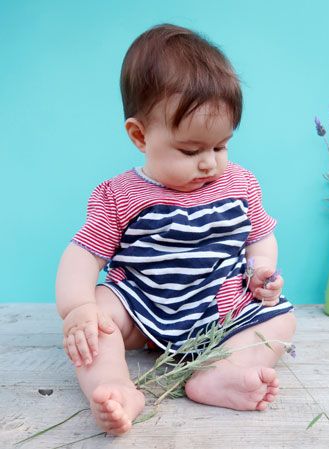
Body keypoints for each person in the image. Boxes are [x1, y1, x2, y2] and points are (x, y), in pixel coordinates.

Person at [56, 23, 296, 436]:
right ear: (140, 135)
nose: (209, 163)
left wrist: (262, 272)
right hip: (143, 307)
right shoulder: (120, 195)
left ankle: (219, 372)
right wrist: (78, 308)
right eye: (191, 150)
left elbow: (259, 237)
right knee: (97, 318)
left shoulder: (240, 184)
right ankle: (115, 387)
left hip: (219, 307)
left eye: (220, 146)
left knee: (281, 319)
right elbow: (83, 255)